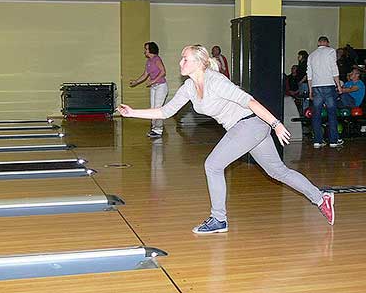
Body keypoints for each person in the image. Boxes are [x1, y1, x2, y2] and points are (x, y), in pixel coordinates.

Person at [118, 44, 335, 234]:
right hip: (245, 129)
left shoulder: (216, 81)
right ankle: (320, 198)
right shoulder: (189, 88)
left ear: (200, 63)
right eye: (181, 57)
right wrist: (132, 112)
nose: (180, 62)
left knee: (212, 165)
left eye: (185, 58)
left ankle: (219, 219)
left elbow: (249, 101)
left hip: (250, 124)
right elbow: (165, 112)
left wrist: (276, 124)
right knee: (277, 171)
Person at [307, 36, 343, 148]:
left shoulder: (311, 55)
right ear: (327, 43)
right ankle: (333, 141)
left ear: (318, 43)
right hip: (329, 86)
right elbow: (334, 69)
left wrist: (310, 90)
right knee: (332, 114)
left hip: (316, 86)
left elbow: (309, 74)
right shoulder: (331, 51)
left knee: (316, 115)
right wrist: (339, 86)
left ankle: (317, 141)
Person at [130, 42, 168, 138]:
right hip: (154, 87)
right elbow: (144, 75)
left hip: (161, 86)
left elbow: (163, 72)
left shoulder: (156, 59)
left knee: (157, 108)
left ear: (151, 50)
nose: (145, 51)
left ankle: (158, 130)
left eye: (146, 49)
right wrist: (136, 82)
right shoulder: (149, 62)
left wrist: (153, 81)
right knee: (152, 108)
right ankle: (155, 129)